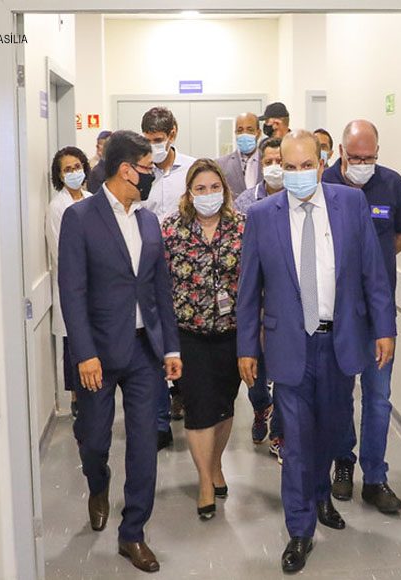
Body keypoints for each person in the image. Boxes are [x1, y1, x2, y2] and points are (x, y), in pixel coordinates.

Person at [237, 130, 396, 573]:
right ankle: (300, 528)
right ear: (279, 168)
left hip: (339, 341)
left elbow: (373, 273)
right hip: (289, 345)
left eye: (307, 165)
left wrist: (384, 328)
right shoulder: (262, 216)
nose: (299, 174)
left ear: (322, 163)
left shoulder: (350, 204)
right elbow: (249, 290)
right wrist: (246, 347)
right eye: (289, 167)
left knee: (331, 430)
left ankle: (322, 495)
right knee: (297, 442)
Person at [58, 130, 183, 574]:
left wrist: (170, 347)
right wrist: (84, 353)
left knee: (145, 444)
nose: (151, 174)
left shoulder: (149, 221)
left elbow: (160, 290)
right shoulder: (80, 218)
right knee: (94, 439)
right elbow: (72, 291)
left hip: (144, 351)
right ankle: (98, 482)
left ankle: (133, 532)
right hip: (97, 353)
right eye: (147, 168)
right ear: (126, 170)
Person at [322, 120, 401, 514]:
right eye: (356, 157)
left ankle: (375, 478)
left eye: (369, 157)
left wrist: (372, 265)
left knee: (378, 399)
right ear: (341, 152)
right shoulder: (323, 184)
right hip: (338, 313)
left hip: (378, 314)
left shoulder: (392, 184)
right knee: (340, 396)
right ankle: (343, 462)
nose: (363, 164)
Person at [161, 159, 246, 520]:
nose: (208, 194)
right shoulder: (171, 230)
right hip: (189, 334)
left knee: (224, 406)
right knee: (198, 408)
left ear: (224, 191)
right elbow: (160, 286)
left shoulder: (242, 228)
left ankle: (215, 464)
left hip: (232, 333)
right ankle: (204, 483)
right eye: (200, 188)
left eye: (214, 188)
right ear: (189, 193)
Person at [140, 106, 197, 450]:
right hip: (147, 269)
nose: (154, 146)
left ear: (172, 134)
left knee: (183, 340)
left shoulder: (190, 170)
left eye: (158, 140)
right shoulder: (139, 169)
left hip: (185, 271)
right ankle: (160, 421)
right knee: (153, 342)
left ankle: (186, 399)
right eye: (148, 140)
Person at [233, 137, 286, 462]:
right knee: (256, 374)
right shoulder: (245, 202)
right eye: (269, 162)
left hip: (283, 302)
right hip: (255, 298)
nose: (275, 167)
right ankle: (260, 407)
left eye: (280, 161)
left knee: (283, 372)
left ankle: (279, 432)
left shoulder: (298, 201)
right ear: (260, 165)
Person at [46, 146, 93, 418]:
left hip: (96, 285)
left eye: (77, 166)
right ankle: (77, 400)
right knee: (74, 344)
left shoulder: (92, 199)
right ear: (59, 176)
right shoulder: (57, 207)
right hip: (73, 284)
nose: (74, 172)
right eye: (68, 169)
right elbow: (60, 253)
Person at [215, 112, 262, 198]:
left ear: (258, 133)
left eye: (250, 130)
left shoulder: (268, 162)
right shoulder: (221, 165)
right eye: (240, 130)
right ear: (236, 133)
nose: (244, 134)